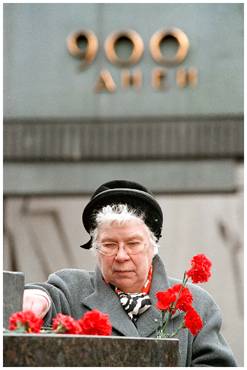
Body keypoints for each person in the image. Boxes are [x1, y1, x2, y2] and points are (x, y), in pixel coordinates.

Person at [23, 180, 237, 367]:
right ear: (96, 249)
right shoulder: (71, 291)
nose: (121, 255)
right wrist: (36, 297)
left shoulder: (198, 304)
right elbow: (44, 296)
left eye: (133, 243)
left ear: (152, 247)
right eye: (109, 244)